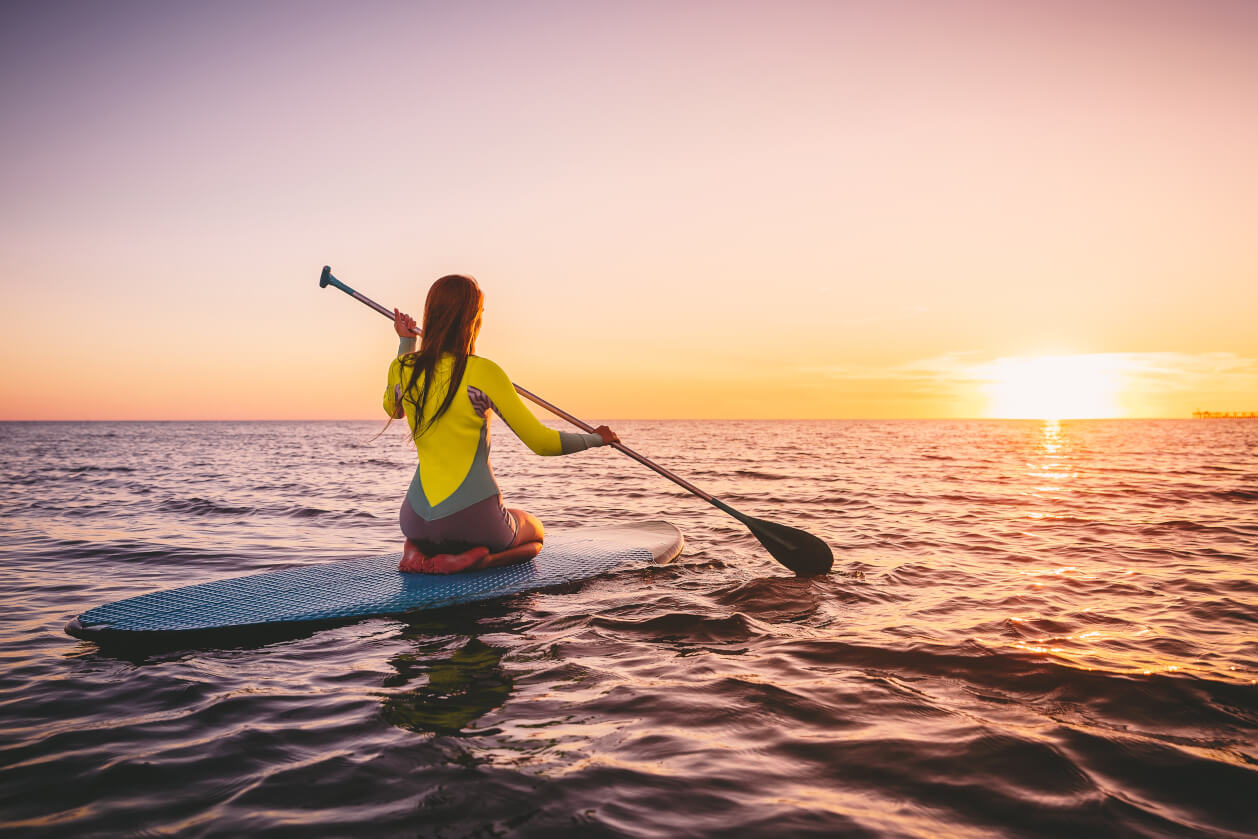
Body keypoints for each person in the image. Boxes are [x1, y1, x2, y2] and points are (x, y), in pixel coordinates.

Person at [384, 274, 618, 574]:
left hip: (414, 520)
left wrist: (406, 343)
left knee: (436, 530)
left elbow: (394, 408)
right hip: (474, 520)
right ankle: (474, 559)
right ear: (472, 319)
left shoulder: (403, 367)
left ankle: (416, 549)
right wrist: (596, 439)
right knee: (535, 534)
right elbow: (542, 443)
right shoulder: (484, 371)